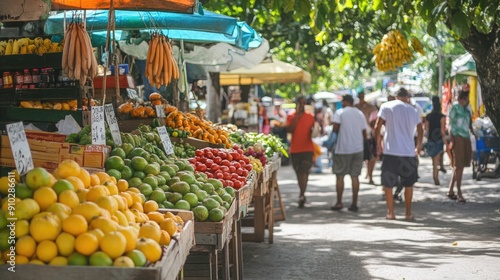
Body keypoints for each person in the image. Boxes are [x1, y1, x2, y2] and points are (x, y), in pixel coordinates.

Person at [374, 87, 423, 220]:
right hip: (408, 152)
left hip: (391, 151)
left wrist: (378, 143)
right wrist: (418, 146)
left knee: (388, 184)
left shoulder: (386, 106)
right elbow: (420, 128)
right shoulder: (412, 110)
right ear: (407, 97)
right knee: (408, 184)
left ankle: (391, 213)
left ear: (396, 96)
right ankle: (408, 213)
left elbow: (377, 126)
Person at [330, 95, 367, 212]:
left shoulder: (340, 113)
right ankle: (354, 203)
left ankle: (339, 202)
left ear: (345, 102)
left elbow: (335, 128)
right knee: (355, 176)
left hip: (343, 149)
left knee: (340, 176)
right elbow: (364, 132)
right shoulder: (360, 114)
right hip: (357, 148)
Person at [286, 95, 316, 208]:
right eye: (300, 103)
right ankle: (302, 193)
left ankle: (302, 194)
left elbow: (315, 131)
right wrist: (297, 117)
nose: (302, 105)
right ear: (296, 104)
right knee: (299, 172)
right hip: (295, 149)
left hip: (308, 149)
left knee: (305, 171)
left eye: (304, 103)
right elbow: (289, 130)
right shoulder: (291, 116)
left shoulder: (310, 116)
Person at [447, 88, 473, 203]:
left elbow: (469, 123)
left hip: (466, 137)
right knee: (459, 166)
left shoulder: (468, 108)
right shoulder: (455, 107)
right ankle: (459, 193)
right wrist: (452, 140)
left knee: (459, 166)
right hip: (457, 137)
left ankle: (451, 190)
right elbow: (451, 125)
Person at [355, 91, 378, 184]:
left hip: (369, 135)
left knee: (372, 157)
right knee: (361, 157)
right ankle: (363, 175)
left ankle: (370, 175)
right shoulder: (356, 108)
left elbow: (375, 120)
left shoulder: (370, 107)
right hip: (358, 136)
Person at [424, 96, 448, 185]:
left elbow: (426, 130)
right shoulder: (442, 117)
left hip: (430, 140)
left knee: (434, 161)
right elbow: (442, 131)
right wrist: (445, 141)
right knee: (436, 162)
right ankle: (436, 177)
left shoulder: (428, 117)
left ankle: (437, 172)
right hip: (438, 141)